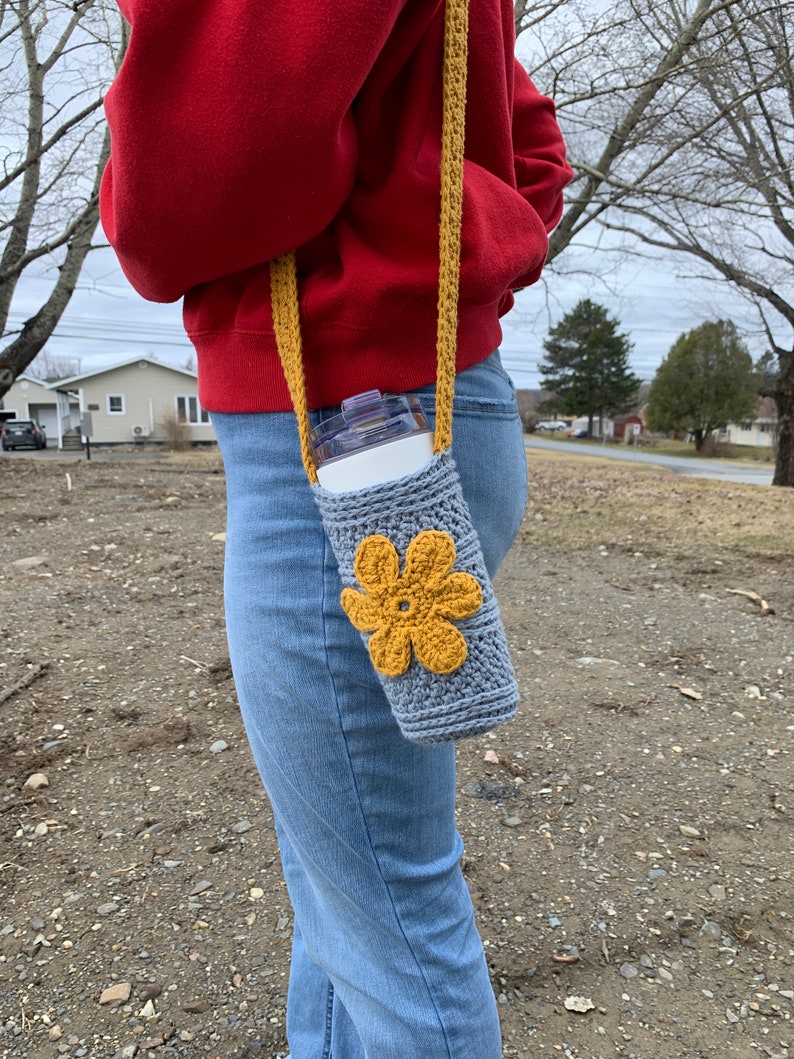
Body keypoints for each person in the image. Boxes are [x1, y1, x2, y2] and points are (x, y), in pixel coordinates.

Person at [100, 1, 572, 1055]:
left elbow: (175, 199)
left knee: (387, 906)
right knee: (345, 870)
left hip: (335, 436)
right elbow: (530, 144)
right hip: (440, 404)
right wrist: (443, 237)